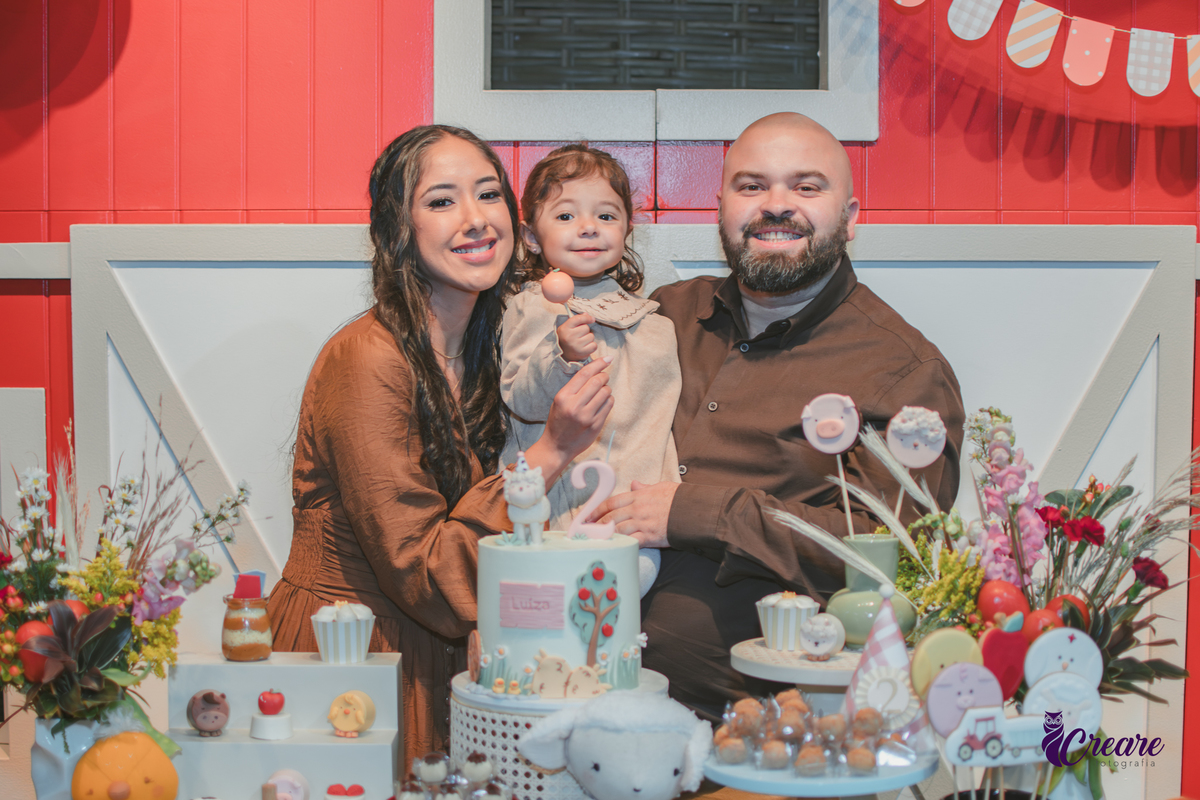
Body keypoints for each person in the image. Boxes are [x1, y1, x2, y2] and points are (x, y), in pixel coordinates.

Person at [595, 112, 967, 722]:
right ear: (720, 208)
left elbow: (903, 558)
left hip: (754, 736)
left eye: (806, 186)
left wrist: (706, 514)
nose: (775, 204)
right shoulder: (664, 318)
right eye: (751, 185)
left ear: (850, 219)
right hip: (581, 683)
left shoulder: (903, 371)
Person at [266, 125, 614, 761]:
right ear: (399, 228)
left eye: (488, 195)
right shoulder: (368, 360)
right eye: (442, 201)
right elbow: (423, 571)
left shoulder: (495, 350)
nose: (477, 219)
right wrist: (553, 451)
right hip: (357, 659)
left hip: (446, 655)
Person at [500, 143, 681, 596]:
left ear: (626, 229)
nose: (587, 228)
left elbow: (660, 413)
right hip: (559, 500)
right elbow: (520, 400)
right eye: (565, 216)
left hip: (637, 502)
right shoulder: (531, 307)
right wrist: (559, 354)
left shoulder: (652, 320)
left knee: (624, 593)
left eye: (606, 216)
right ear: (531, 237)